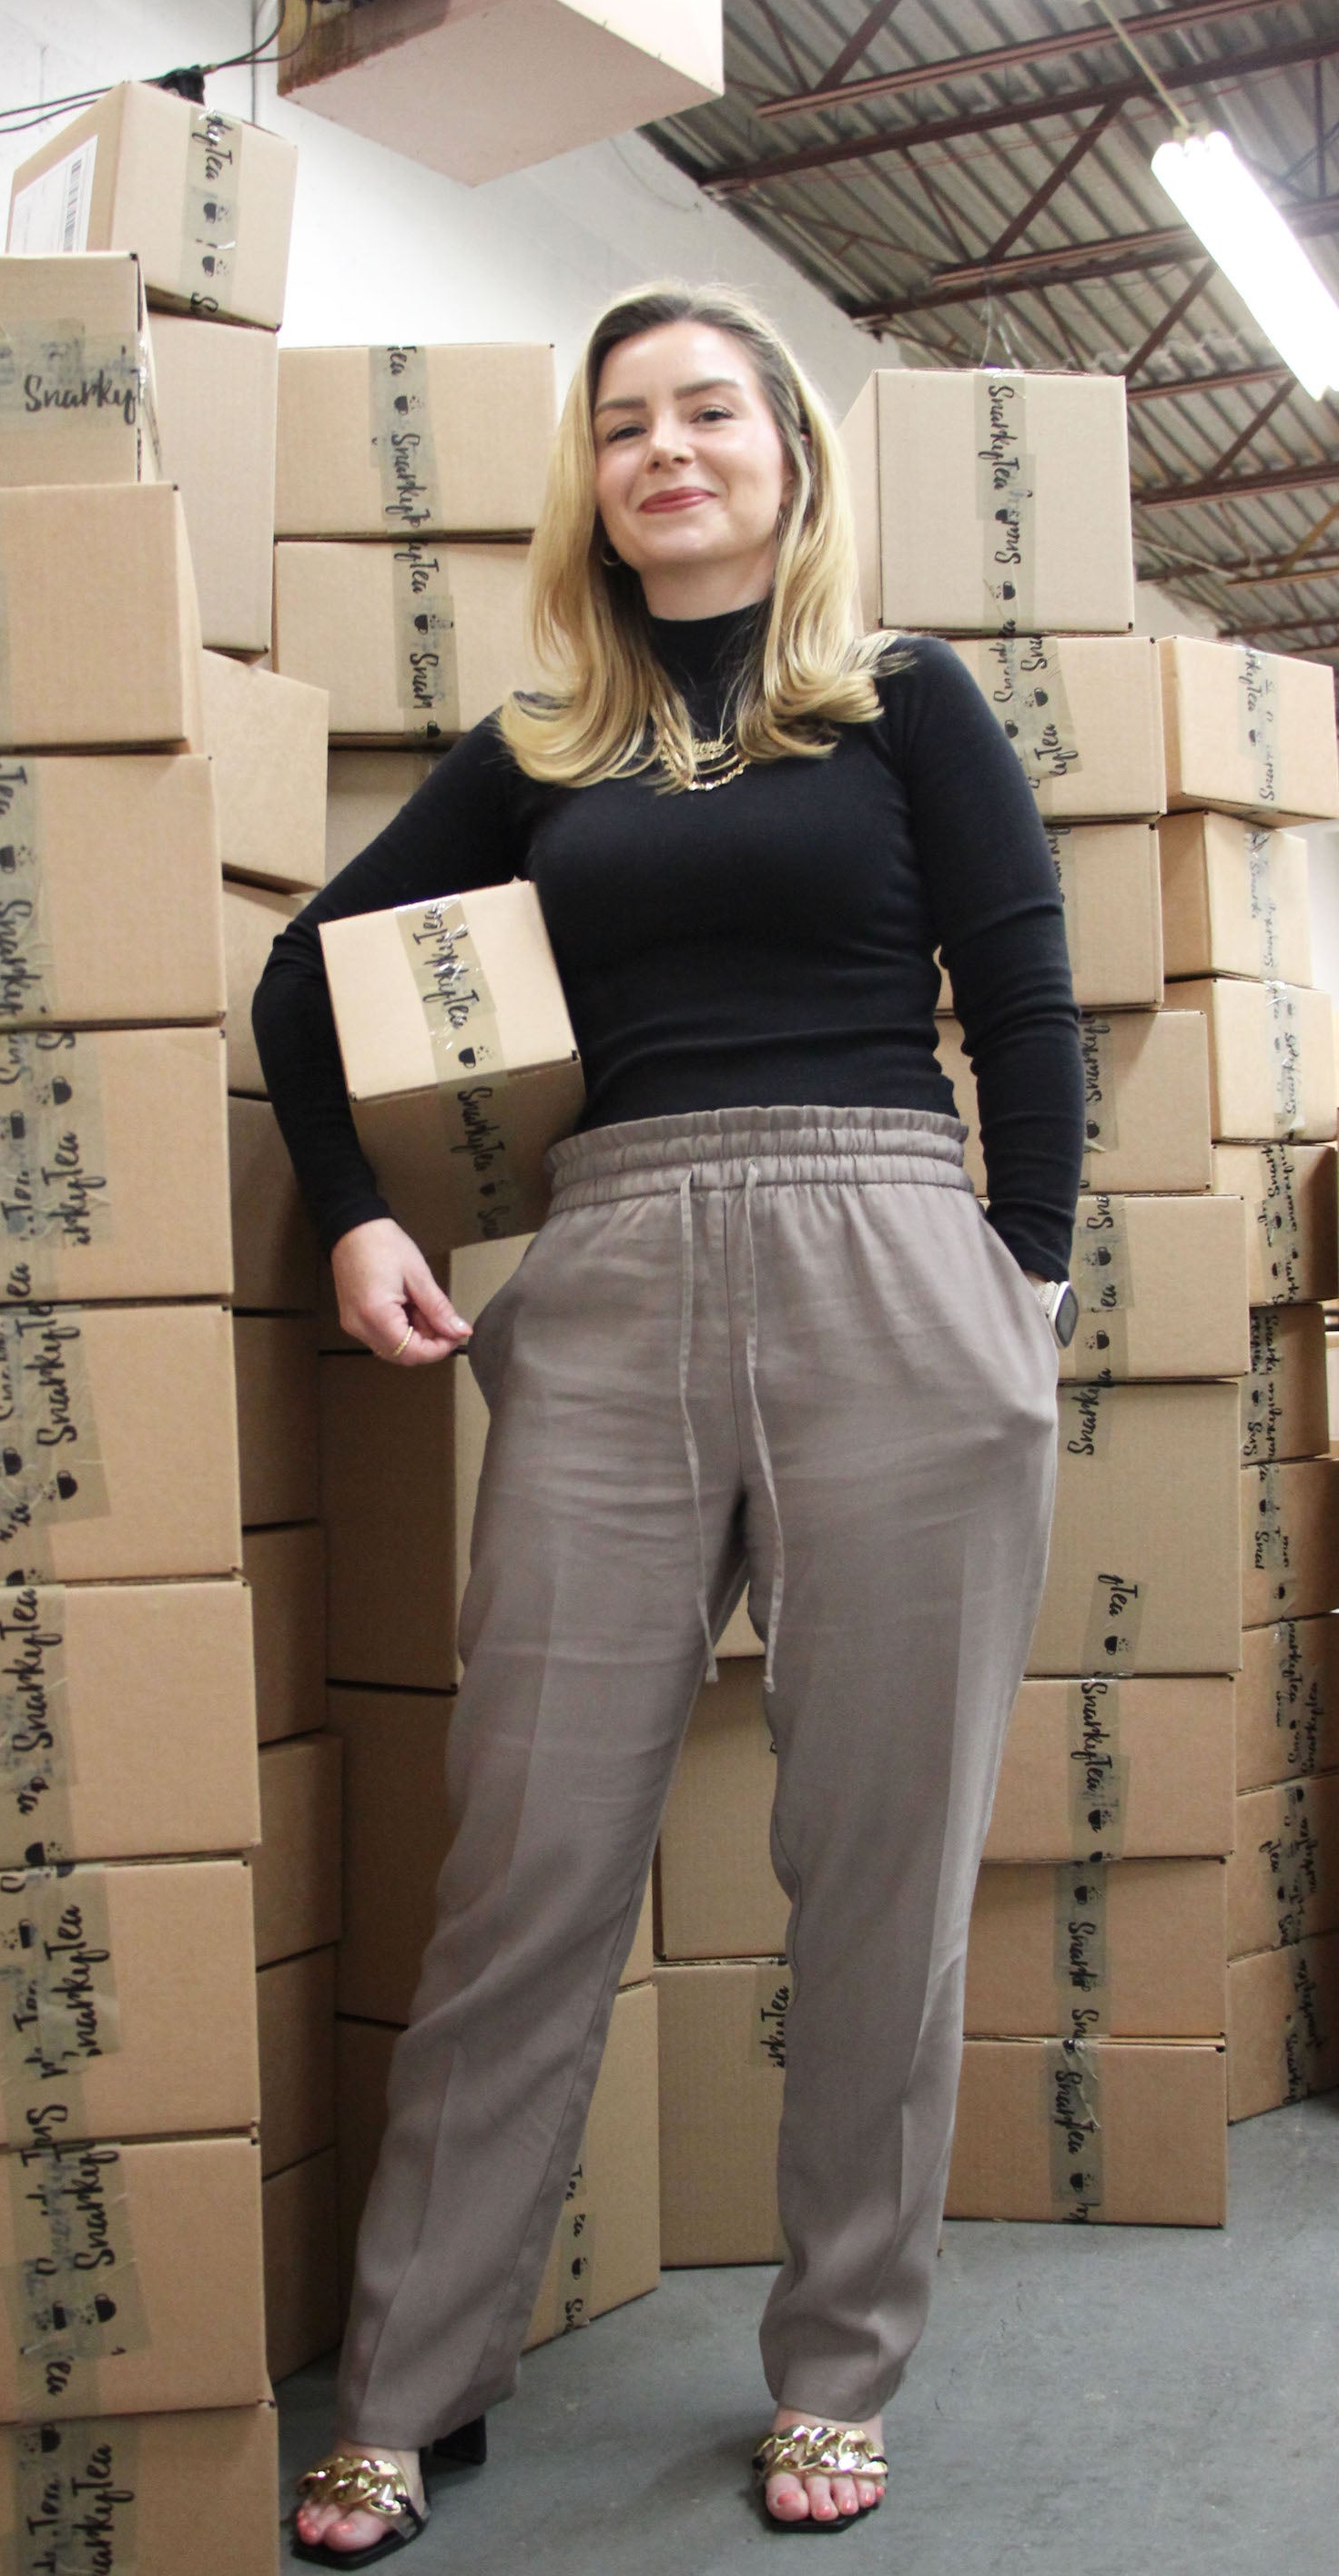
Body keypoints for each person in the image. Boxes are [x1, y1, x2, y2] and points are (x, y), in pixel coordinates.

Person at [253, 281, 1084, 2556]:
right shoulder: (538, 752)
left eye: (710, 410)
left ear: (784, 450)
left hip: (891, 1255)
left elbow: (1020, 993)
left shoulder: (905, 705)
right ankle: (412, 2382)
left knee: (876, 1873)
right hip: (608, 1282)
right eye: (626, 424)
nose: (669, 451)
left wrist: (1022, 1282)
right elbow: (305, 977)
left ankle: (837, 2366)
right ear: (591, 483)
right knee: (531, 1863)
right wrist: (353, 1215)